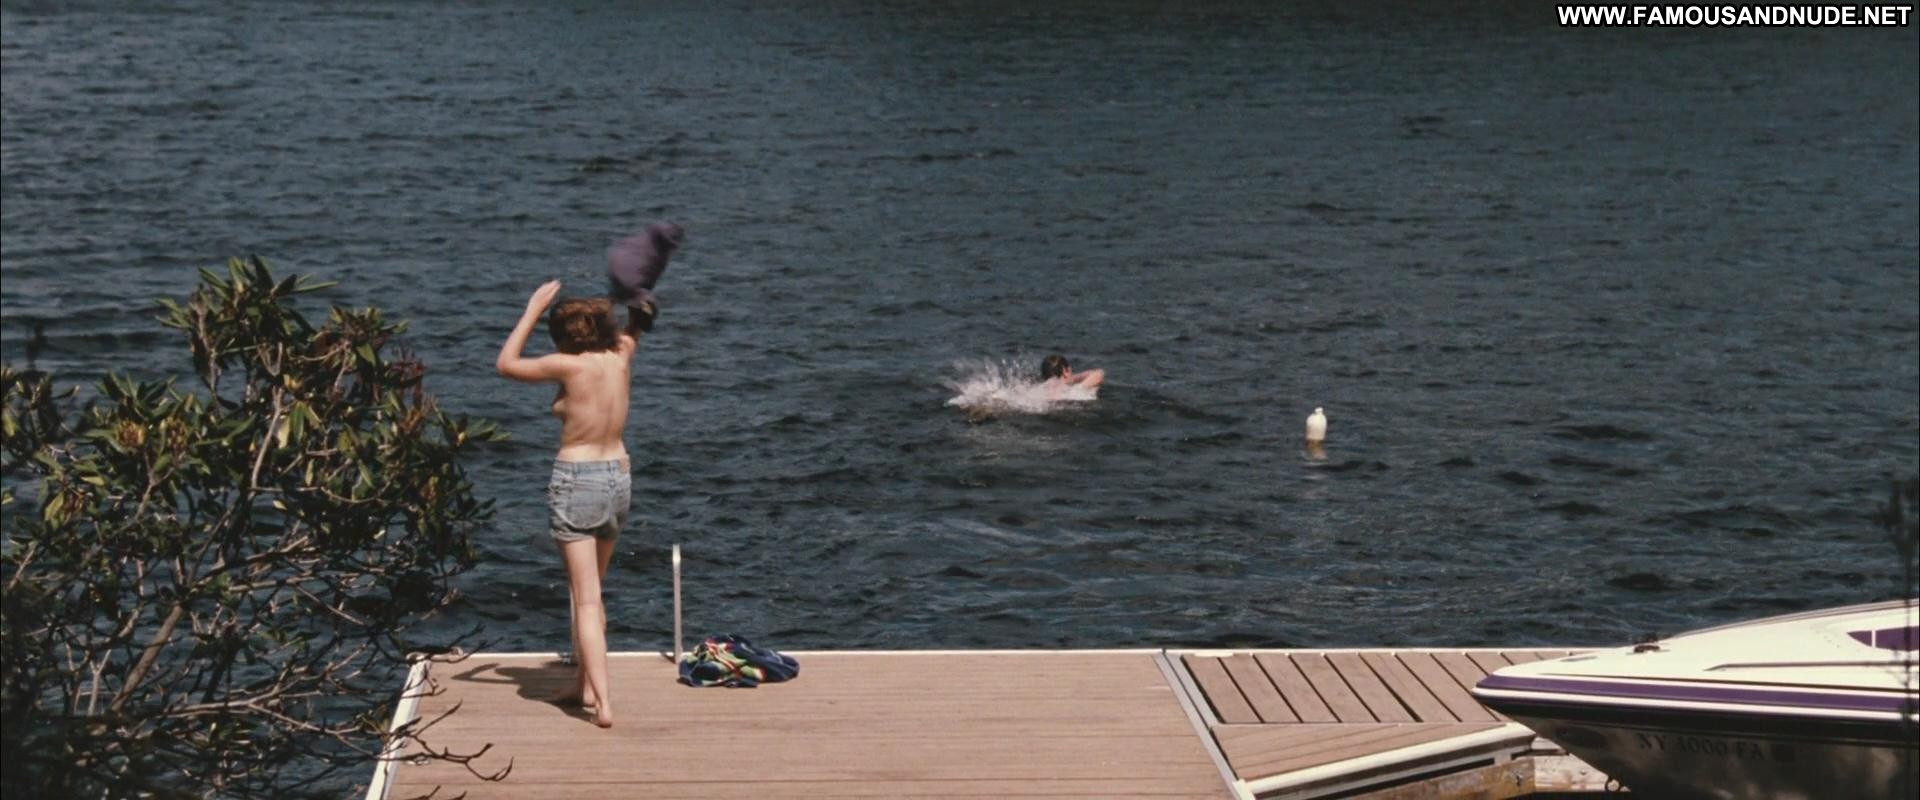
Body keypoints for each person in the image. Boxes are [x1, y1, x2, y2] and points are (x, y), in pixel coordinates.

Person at [496, 280, 655, 728]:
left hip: (578, 480)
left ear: (562, 336)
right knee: (592, 590)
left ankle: (602, 704)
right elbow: (633, 330)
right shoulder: (619, 356)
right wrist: (637, 310)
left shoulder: (567, 366)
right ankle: (582, 684)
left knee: (585, 599)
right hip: (618, 477)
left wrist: (532, 308)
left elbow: (506, 364)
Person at [1039, 353, 1104, 399]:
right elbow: (1099, 374)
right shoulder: (1072, 392)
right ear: (1065, 370)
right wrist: (1072, 380)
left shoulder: (1039, 390)